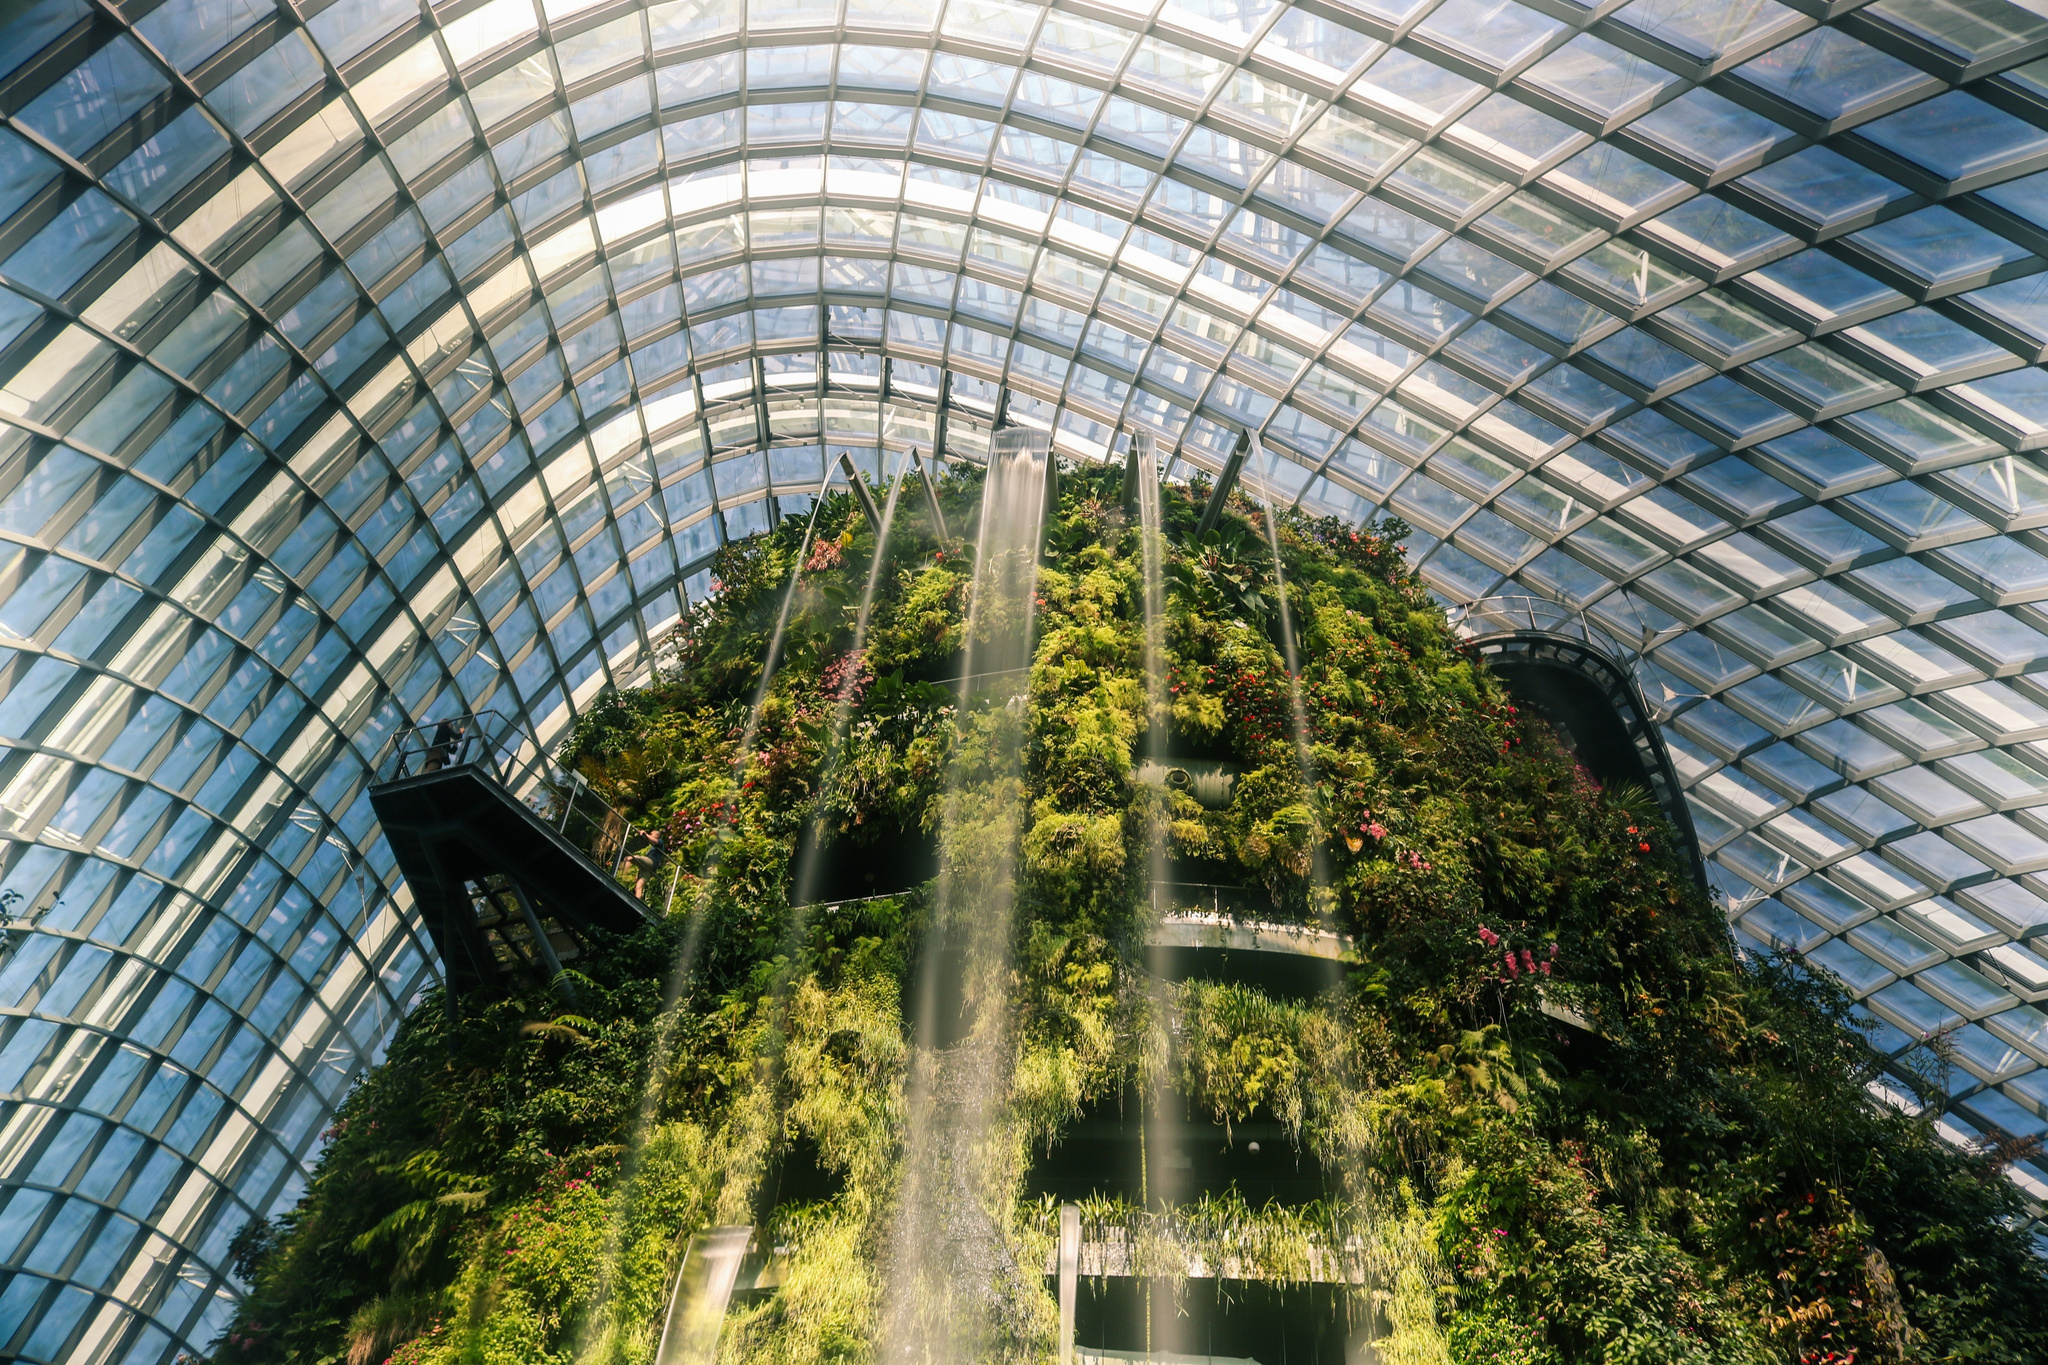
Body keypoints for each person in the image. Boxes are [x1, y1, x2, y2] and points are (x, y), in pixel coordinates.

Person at [627, 828, 669, 901]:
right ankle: (637, 902)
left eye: (651, 834)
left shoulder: (660, 842)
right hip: (650, 868)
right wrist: (638, 874)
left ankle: (623, 876)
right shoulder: (653, 847)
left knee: (630, 858)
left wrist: (646, 834)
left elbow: (655, 841)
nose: (650, 835)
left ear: (657, 835)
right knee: (639, 886)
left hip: (651, 862)